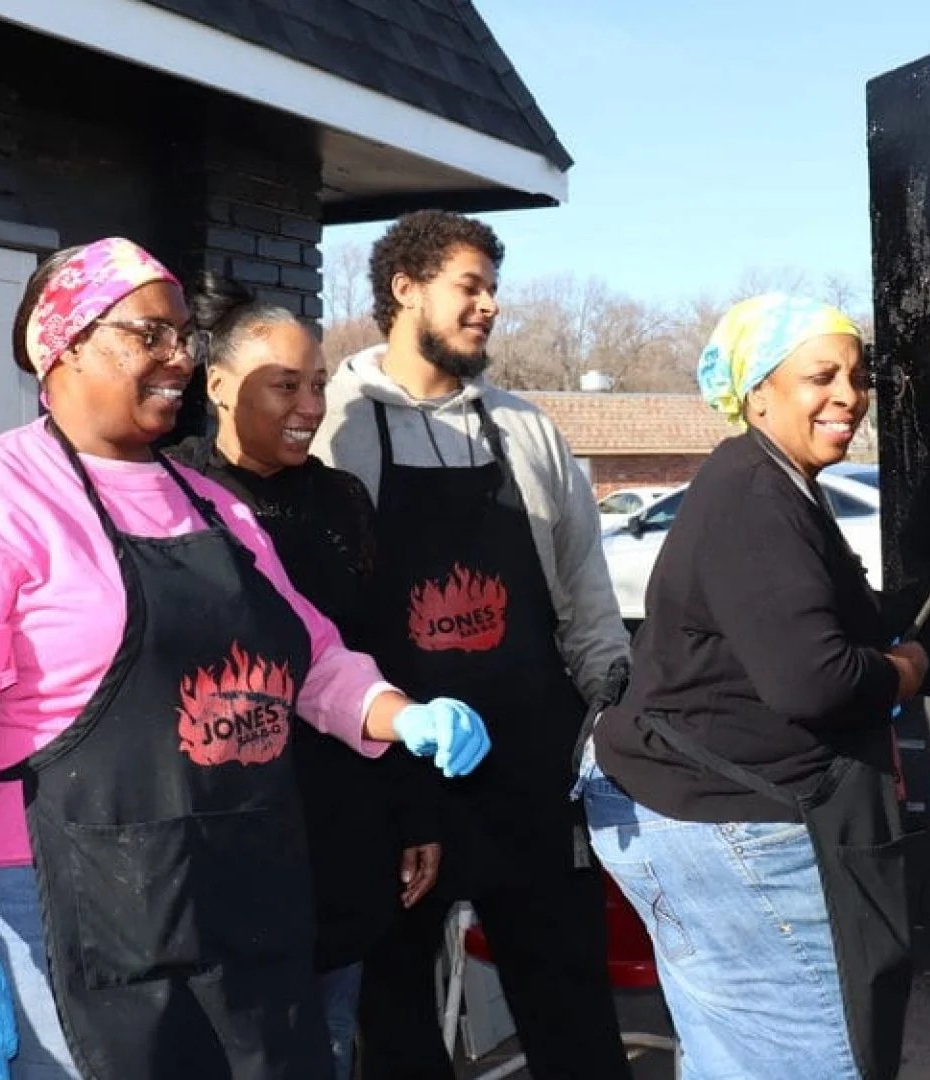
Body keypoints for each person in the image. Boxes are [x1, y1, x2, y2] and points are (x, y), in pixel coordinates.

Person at [0, 237, 493, 1080]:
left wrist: (400, 714)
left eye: (184, 338)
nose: (179, 359)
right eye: (148, 335)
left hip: (209, 881)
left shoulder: (211, 502)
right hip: (33, 888)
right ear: (65, 343)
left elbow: (309, 655)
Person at [314, 210, 633, 1079]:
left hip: (530, 765)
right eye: (470, 285)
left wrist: (606, 702)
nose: (489, 305)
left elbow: (584, 586)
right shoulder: (335, 425)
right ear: (405, 289)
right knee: (396, 1012)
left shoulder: (526, 430)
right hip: (395, 768)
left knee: (569, 996)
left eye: (494, 288)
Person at [582, 294, 930, 1080]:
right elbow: (815, 679)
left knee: (735, 1055)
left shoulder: (774, 480)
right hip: (728, 822)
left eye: (856, 374)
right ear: (757, 393)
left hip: (693, 807)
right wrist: (904, 671)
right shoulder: (754, 495)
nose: (849, 394)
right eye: (821, 375)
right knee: (802, 1058)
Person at [165, 273, 445, 1080]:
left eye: (318, 384)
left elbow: (380, 652)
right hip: (222, 822)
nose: (311, 406)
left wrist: (415, 807)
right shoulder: (175, 494)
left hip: (341, 824)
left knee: (325, 1036)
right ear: (219, 385)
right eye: (285, 385)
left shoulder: (341, 499)